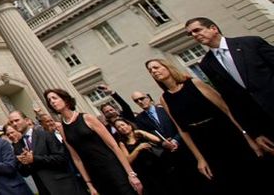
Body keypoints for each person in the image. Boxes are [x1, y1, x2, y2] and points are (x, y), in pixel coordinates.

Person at [147, 57, 269, 193]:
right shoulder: (164, 98)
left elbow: (226, 110)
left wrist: (247, 137)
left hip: (227, 134)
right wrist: (200, 158)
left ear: (167, 67)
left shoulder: (194, 83)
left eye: (156, 67)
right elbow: (182, 130)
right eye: (150, 71)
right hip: (204, 143)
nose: (154, 71)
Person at [185, 16, 274, 152]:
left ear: (213, 28)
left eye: (197, 30)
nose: (194, 35)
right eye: (191, 34)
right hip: (265, 124)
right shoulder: (207, 64)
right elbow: (232, 100)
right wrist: (255, 133)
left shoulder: (251, 43)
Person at [43, 88, 141, 194]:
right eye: (49, 100)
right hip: (95, 175)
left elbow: (113, 146)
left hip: (112, 168)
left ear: (65, 100)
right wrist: (89, 184)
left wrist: (131, 173)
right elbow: (76, 159)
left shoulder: (87, 118)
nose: (52, 101)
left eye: (54, 98)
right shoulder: (62, 128)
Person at [7, 110, 82, 195]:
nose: (14, 124)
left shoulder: (45, 135)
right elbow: (24, 173)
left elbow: (62, 158)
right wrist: (23, 162)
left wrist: (34, 159)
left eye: (17, 120)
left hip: (63, 186)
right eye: (11, 122)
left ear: (27, 120)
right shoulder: (18, 145)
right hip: (44, 189)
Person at [112, 118, 171, 194]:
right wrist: (138, 149)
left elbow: (157, 140)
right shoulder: (122, 143)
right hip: (144, 172)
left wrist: (141, 131)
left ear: (129, 125)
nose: (122, 128)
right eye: (118, 127)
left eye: (122, 125)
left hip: (157, 165)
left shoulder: (140, 134)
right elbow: (128, 160)